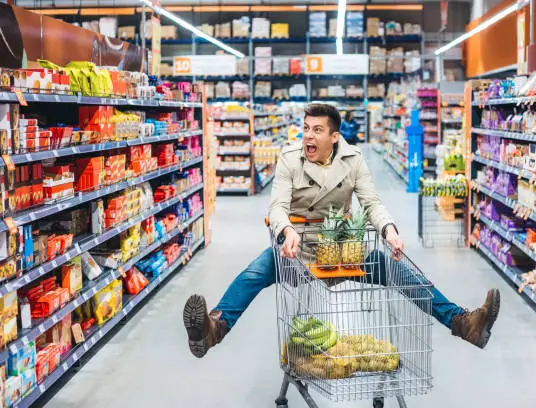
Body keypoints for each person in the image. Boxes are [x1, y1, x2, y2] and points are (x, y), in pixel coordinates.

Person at [183, 104, 500, 358]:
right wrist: (286, 231)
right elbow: (277, 205)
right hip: (299, 251)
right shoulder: (289, 159)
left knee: (402, 272)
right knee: (254, 273)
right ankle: (213, 329)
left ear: (334, 137)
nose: (309, 136)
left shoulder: (353, 160)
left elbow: (372, 202)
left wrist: (389, 229)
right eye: (306, 128)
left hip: (344, 251)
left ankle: (463, 323)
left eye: (317, 130)